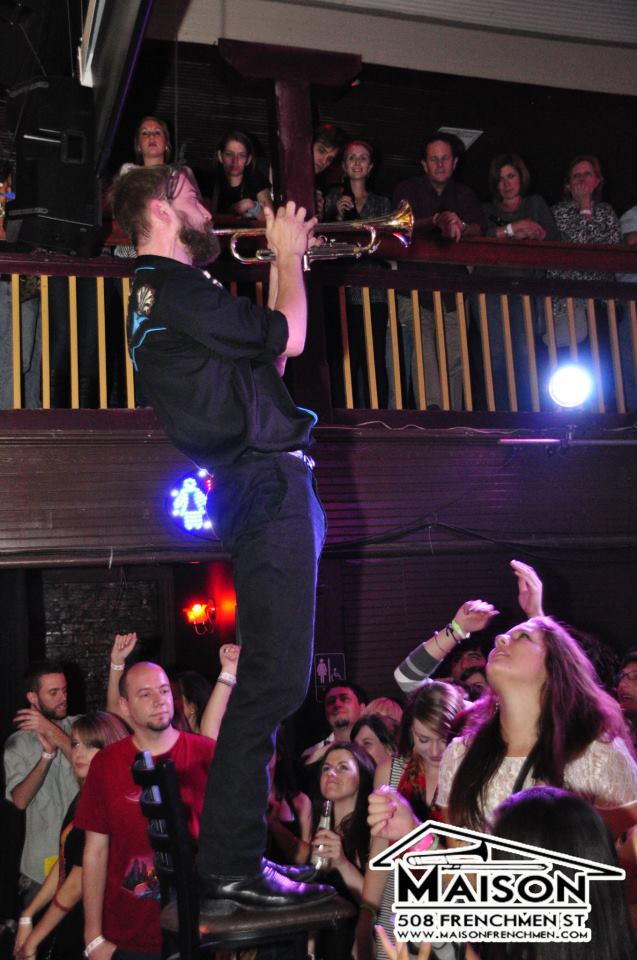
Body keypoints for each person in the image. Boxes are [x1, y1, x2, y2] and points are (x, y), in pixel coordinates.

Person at [111, 163, 331, 910]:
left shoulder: (160, 296)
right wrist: (289, 255)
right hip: (265, 482)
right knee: (275, 681)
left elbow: (271, 357)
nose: (208, 209)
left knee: (276, 678)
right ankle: (231, 867)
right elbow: (292, 333)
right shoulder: (173, 286)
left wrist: (280, 266)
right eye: (195, 198)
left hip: (259, 483)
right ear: (162, 208)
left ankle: (234, 863)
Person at [74, 661, 215, 960]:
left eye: (164, 691)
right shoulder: (107, 763)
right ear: (124, 706)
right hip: (127, 934)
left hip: (199, 930)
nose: (159, 700)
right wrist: (92, 936)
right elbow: (95, 851)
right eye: (145, 694)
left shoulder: (206, 753)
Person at [356, 682, 464, 960]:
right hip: (397, 906)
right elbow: (379, 851)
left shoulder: (469, 773)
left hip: (453, 913)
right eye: (424, 739)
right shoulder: (391, 772)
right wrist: (366, 916)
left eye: (444, 738)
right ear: (410, 732)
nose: (436, 750)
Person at [13, 712, 129, 960]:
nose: (79, 753)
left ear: (112, 748)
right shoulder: (86, 795)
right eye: (75, 744)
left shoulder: (110, 800)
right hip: (77, 920)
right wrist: (28, 914)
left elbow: (78, 880)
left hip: (102, 925)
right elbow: (67, 859)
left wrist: (33, 940)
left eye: (91, 746)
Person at [390, 132, 485, 410]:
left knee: (456, 358)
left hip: (454, 291)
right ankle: (431, 415)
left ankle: (453, 416)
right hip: (415, 289)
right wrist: (436, 220)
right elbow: (401, 226)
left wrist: (461, 225)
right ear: (424, 164)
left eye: (445, 159)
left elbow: (480, 227)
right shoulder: (407, 189)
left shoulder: (465, 194)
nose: (440, 164)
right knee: (424, 357)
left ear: (454, 163)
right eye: (434, 159)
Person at [475, 153, 558, 411]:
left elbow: (552, 240)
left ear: (521, 177)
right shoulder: (486, 210)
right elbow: (479, 237)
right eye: (500, 179)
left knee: (524, 353)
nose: (506, 183)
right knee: (496, 355)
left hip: (525, 287)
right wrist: (514, 229)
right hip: (490, 288)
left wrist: (530, 235)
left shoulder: (535, 203)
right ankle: (500, 413)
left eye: (510, 176)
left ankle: (526, 413)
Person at [4, 661, 79, 907]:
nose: (63, 698)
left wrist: (50, 730)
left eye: (64, 690)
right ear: (32, 698)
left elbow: (91, 764)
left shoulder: (78, 728)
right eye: (53, 692)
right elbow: (19, 800)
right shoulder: (18, 743)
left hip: (81, 861)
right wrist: (46, 756)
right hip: (41, 867)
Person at [325, 139, 392, 407]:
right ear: (343, 165)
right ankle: (345, 411)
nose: (357, 163)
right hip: (342, 291)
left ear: (371, 166)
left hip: (374, 292)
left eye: (363, 158)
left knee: (374, 358)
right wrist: (337, 215)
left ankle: (378, 413)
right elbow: (326, 241)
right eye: (351, 158)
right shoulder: (331, 200)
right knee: (345, 359)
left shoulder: (382, 202)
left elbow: (384, 243)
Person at [548, 156, 621, 401]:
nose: (581, 180)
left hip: (601, 301)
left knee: (603, 363)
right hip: (568, 303)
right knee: (572, 360)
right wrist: (582, 207)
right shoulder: (556, 213)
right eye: (575, 176)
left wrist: (588, 208)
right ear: (567, 184)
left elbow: (609, 250)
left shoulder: (607, 212)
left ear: (597, 181)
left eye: (587, 174)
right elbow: (577, 249)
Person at [307, 741, 375, 960]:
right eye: (326, 768)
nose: (331, 773)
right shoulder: (319, 825)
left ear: (362, 776)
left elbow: (376, 902)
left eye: (343, 767)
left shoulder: (372, 831)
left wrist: (342, 863)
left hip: (353, 944)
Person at [0, 160, 40, 410]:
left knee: (29, 361)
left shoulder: (22, 204)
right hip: (5, 283)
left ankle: (30, 422)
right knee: (12, 360)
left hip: (28, 284)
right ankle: (7, 423)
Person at [211, 130, 273, 224]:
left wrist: (252, 206)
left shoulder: (256, 180)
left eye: (241, 155)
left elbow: (271, 219)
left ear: (248, 159)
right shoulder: (211, 181)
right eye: (229, 154)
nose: (235, 161)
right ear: (220, 156)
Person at [302, 681, 368, 766]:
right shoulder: (312, 754)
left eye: (344, 699)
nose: (337, 704)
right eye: (331, 701)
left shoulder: (374, 747)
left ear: (362, 708)